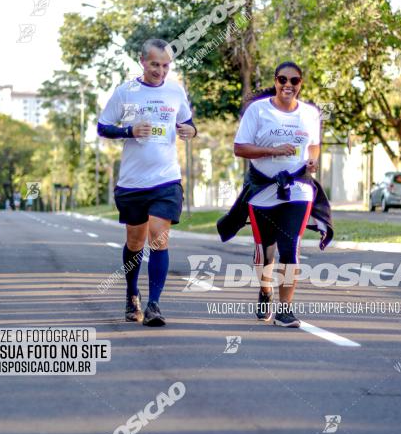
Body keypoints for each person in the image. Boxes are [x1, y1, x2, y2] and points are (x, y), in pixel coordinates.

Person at [220, 61, 332, 328]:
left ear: (300, 84)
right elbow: (239, 148)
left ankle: (285, 310)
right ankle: (265, 290)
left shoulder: (310, 114)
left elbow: (314, 147)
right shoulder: (257, 111)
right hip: (262, 190)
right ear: (276, 81)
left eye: (294, 81)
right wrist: (272, 151)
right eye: (283, 80)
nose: (288, 86)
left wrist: (313, 162)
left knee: (290, 247)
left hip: (298, 189)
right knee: (264, 250)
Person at [97, 38, 197, 327]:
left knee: (158, 237)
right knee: (135, 241)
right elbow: (103, 127)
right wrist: (129, 130)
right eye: (155, 64)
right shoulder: (126, 92)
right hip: (132, 181)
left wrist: (189, 130)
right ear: (142, 61)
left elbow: (190, 124)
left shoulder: (176, 90)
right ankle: (131, 294)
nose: (161, 71)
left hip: (166, 178)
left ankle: (154, 304)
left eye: (166, 65)